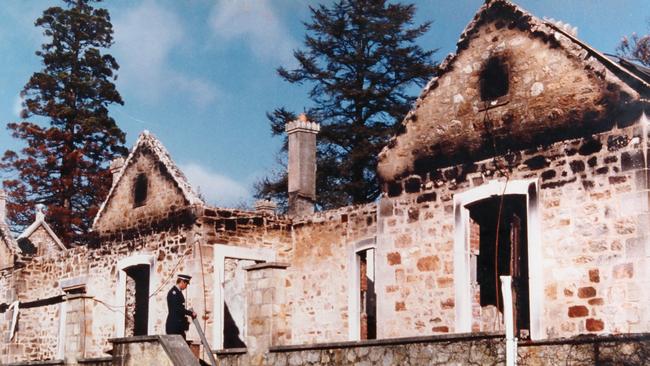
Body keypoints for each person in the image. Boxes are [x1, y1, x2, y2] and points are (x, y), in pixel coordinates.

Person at [166, 273, 197, 338]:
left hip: (178, 325)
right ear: (182, 282)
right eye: (186, 284)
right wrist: (191, 313)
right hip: (174, 325)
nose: (186, 286)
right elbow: (177, 309)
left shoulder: (178, 292)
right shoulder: (174, 292)